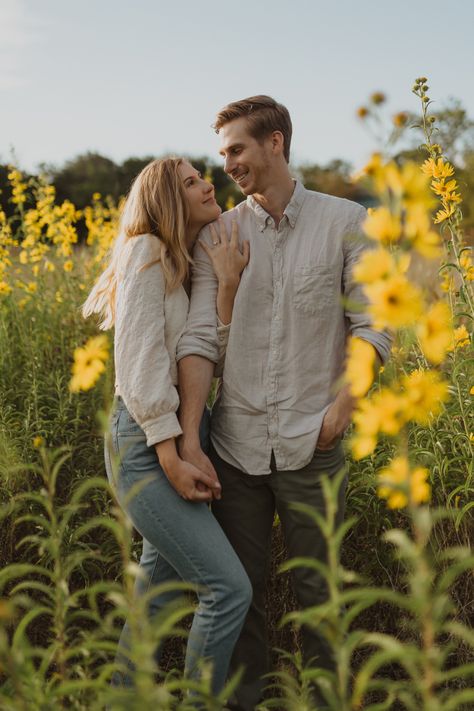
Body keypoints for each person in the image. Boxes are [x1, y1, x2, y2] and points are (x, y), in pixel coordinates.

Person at [176, 96, 392, 710]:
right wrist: (193, 436)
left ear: (276, 143)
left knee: (321, 603)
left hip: (312, 443)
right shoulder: (217, 233)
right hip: (236, 449)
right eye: (222, 155)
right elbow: (198, 340)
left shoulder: (348, 222)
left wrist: (339, 415)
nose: (229, 165)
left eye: (237, 149)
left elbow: (373, 327)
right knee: (240, 598)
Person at [82, 157, 252, 698]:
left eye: (204, 177)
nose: (208, 185)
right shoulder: (147, 250)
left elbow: (210, 355)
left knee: (156, 599)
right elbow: (138, 363)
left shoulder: (187, 259)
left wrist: (227, 286)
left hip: (179, 436)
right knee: (227, 590)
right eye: (192, 182)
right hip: (147, 441)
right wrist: (171, 453)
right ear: (166, 203)